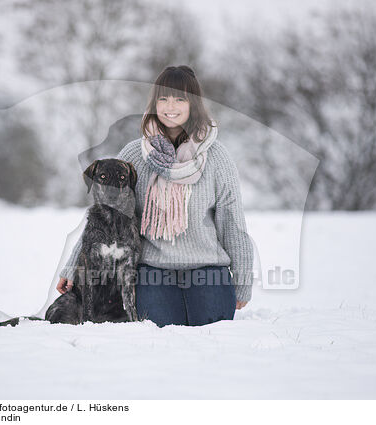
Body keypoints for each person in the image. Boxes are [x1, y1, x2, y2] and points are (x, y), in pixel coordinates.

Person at [55, 65, 254, 327]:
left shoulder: (217, 157)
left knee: (212, 326)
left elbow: (233, 224)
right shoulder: (134, 155)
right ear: (154, 103)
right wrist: (72, 267)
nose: (170, 106)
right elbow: (104, 217)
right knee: (158, 329)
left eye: (180, 98)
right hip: (153, 272)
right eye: (163, 98)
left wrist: (242, 280)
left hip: (207, 271)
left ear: (193, 104)